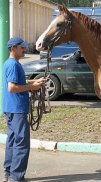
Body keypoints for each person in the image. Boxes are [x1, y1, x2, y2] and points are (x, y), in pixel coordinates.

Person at [2, 37, 46, 182]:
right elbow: (12, 87)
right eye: (22, 47)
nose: (25, 49)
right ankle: (16, 176)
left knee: (12, 140)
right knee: (22, 142)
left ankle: (8, 172)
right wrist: (31, 87)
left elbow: (17, 82)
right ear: (13, 48)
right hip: (18, 109)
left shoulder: (10, 63)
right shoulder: (14, 65)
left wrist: (34, 82)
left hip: (10, 108)